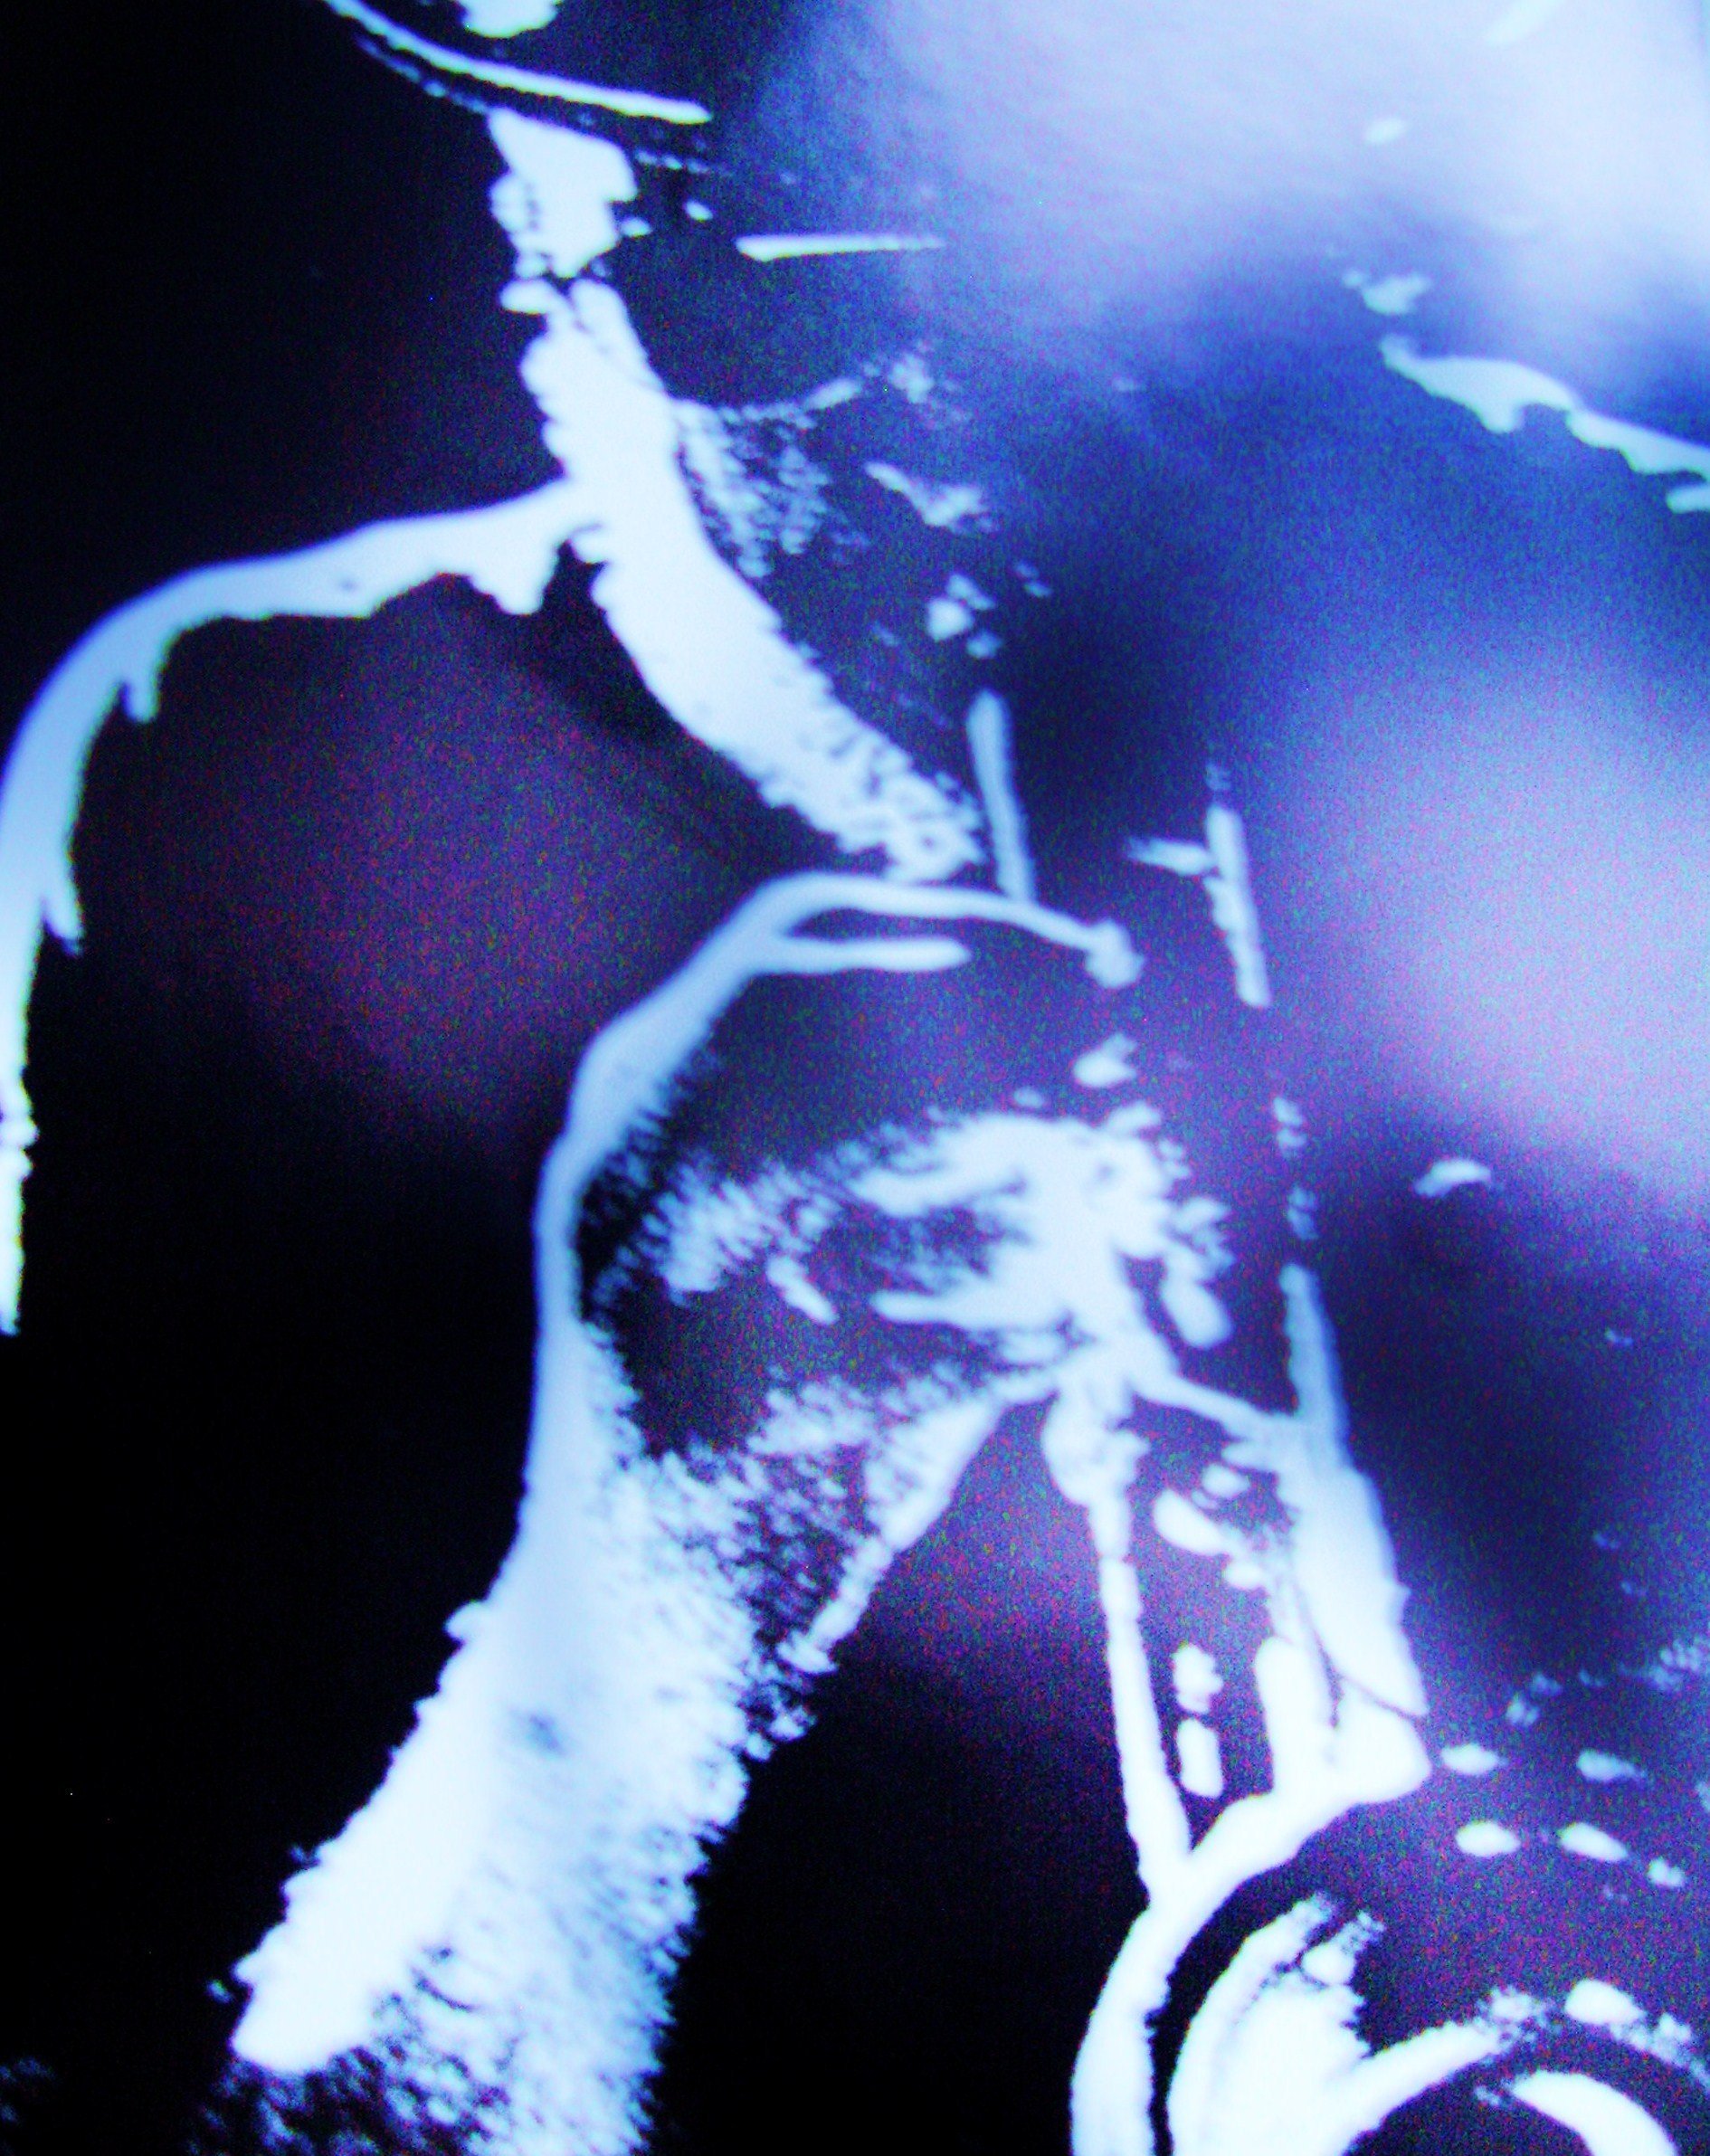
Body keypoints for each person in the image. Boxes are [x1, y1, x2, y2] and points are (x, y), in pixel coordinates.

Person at [5, 2, 1710, 2151]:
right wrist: (689, 1535)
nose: (985, 484)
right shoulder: (253, 764)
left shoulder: (1569, 679)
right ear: (574, 268)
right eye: (803, 315)